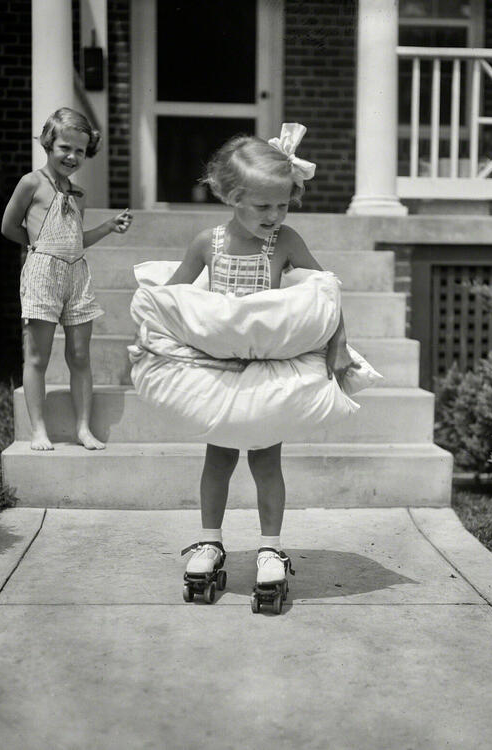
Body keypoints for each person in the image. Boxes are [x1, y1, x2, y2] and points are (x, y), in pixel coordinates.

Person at [168, 123, 357, 595]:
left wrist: (338, 343)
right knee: (219, 455)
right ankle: (210, 541)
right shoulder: (206, 243)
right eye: (264, 205)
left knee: (267, 459)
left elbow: (325, 293)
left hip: (267, 367)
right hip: (222, 366)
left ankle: (270, 547)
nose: (275, 214)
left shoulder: (285, 242)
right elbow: (172, 299)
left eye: (284, 203)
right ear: (231, 197)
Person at [1, 107, 132, 451]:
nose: (72, 156)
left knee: (80, 355)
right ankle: (39, 429)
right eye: (65, 148)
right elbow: (7, 226)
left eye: (79, 150)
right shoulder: (32, 183)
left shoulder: (78, 194)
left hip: (77, 274)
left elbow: (77, 239)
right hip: (43, 272)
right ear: (48, 143)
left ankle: (83, 428)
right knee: (37, 357)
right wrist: (36, 247)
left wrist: (107, 227)